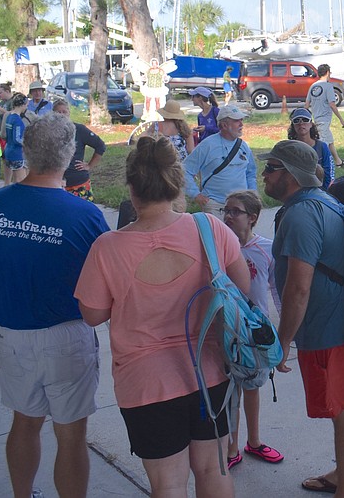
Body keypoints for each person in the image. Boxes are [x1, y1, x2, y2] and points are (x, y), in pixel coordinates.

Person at [75, 136, 248, 498]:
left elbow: (92, 314)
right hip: (210, 372)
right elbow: (241, 289)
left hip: (146, 384)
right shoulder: (210, 228)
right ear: (175, 183)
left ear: (131, 188)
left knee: (168, 484)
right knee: (213, 470)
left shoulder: (107, 248)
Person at [0, 113, 109, 498]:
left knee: (24, 421)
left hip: (13, 334)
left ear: (27, 151)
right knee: (71, 435)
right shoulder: (85, 214)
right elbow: (107, 286)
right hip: (67, 336)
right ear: (69, 156)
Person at [259, 140, 344, 498]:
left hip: (329, 331)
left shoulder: (302, 215)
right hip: (337, 324)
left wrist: (283, 340)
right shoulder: (321, 201)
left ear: (290, 175)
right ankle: (341, 474)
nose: (264, 175)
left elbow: (298, 288)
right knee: (342, 406)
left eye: (270, 168)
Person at [221, 190, 284, 470]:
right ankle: (231, 447)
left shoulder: (267, 248)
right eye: (226, 210)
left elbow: (276, 290)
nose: (228, 216)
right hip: (227, 330)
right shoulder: (219, 248)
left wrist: (283, 334)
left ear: (253, 217)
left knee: (253, 387)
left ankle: (254, 442)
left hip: (256, 333)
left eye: (235, 211)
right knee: (230, 391)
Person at [183, 104, 257, 214]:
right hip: (215, 206)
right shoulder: (207, 145)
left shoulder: (243, 146)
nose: (241, 124)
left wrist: (253, 195)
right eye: (236, 121)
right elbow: (184, 170)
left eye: (241, 120)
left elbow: (251, 173)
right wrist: (196, 195)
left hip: (241, 207)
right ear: (224, 125)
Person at [53, 97, 107, 202]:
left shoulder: (79, 129)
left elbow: (100, 146)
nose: (62, 115)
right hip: (56, 182)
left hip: (78, 183)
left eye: (64, 112)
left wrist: (89, 165)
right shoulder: (49, 131)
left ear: (69, 112)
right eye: (58, 112)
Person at [305, 63, 344, 167]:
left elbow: (306, 105)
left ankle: (338, 162)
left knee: (330, 141)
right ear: (327, 73)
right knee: (322, 145)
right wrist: (341, 119)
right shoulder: (328, 86)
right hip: (324, 120)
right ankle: (318, 165)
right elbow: (332, 104)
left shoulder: (313, 86)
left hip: (316, 118)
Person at [287, 107, 334, 190]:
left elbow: (329, 174)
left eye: (305, 120)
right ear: (293, 125)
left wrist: (324, 192)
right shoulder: (289, 149)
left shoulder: (322, 147)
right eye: (296, 121)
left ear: (311, 124)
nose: (301, 124)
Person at [3, 92, 29, 183]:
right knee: (21, 181)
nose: (26, 107)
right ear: (22, 105)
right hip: (16, 154)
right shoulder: (18, 121)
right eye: (26, 105)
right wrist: (27, 144)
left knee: (15, 180)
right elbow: (17, 139)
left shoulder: (9, 117)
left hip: (9, 151)